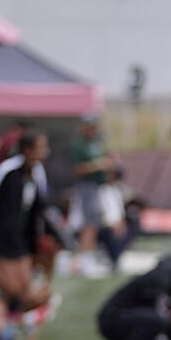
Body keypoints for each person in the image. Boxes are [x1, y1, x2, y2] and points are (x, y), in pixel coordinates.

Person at [0, 129, 54, 333]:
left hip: (20, 241)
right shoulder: (8, 170)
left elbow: (38, 209)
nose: (44, 152)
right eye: (40, 147)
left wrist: (37, 242)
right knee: (17, 290)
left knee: (31, 295)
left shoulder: (37, 172)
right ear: (26, 150)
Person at [71, 114, 114, 277]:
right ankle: (84, 259)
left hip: (98, 186)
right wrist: (98, 165)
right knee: (90, 222)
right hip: (87, 186)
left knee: (95, 222)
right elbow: (78, 169)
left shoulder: (98, 143)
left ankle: (89, 256)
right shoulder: (79, 145)